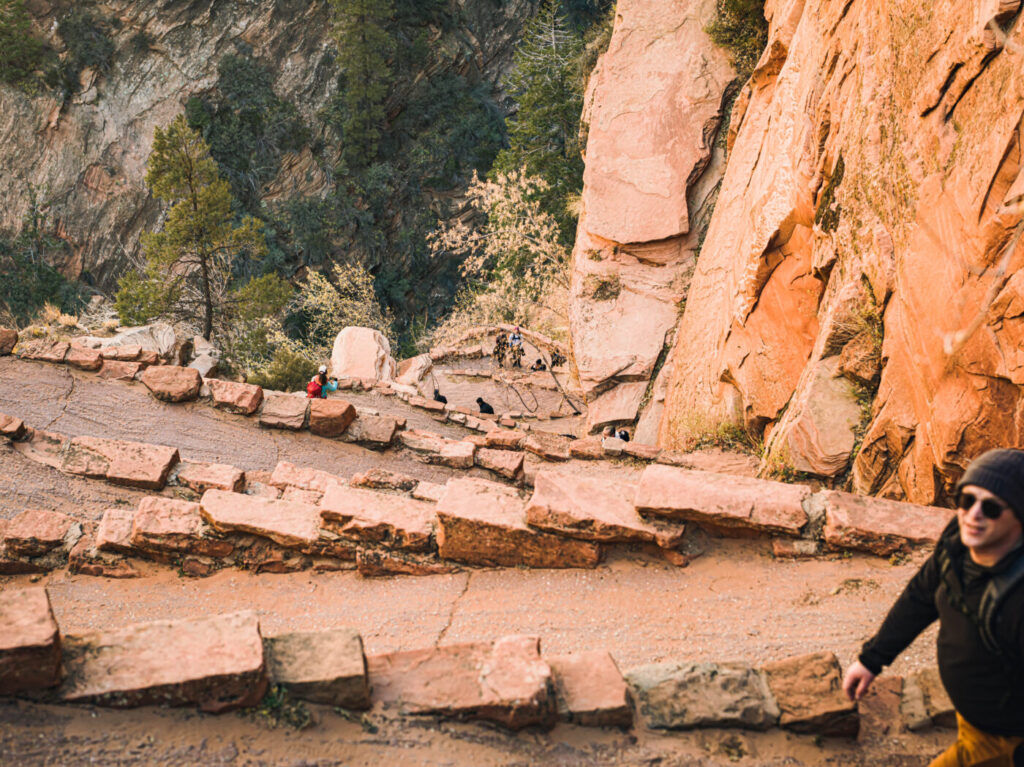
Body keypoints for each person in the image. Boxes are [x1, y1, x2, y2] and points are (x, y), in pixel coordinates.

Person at [842, 449, 1024, 767]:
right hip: (974, 715)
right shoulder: (958, 542)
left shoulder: (1017, 601)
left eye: (991, 507)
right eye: (966, 499)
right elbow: (921, 596)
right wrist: (872, 659)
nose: (973, 514)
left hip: (1003, 737)